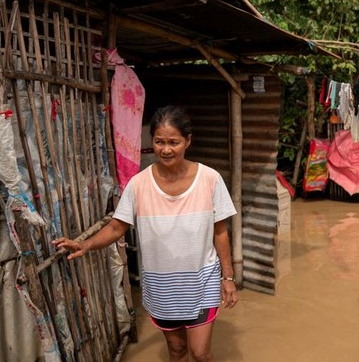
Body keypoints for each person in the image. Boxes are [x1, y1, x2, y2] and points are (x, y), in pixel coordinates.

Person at [52, 105, 238, 362]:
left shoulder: (210, 179)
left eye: (174, 142)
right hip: (161, 286)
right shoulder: (138, 184)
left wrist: (227, 278)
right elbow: (117, 227)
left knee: (201, 352)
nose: (166, 149)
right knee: (177, 351)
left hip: (201, 281)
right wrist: (86, 244)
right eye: (159, 142)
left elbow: (220, 231)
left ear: (188, 141)